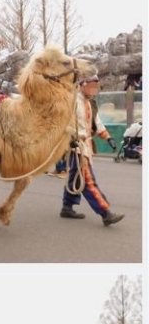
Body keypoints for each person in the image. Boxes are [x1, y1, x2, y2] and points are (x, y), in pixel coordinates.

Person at [59, 72, 124, 226]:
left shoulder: (90, 102)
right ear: (82, 85)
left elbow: (96, 121)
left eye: (96, 87)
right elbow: (63, 122)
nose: (94, 90)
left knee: (76, 176)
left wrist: (107, 137)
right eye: (91, 86)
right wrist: (70, 139)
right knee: (87, 180)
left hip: (86, 145)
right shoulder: (71, 101)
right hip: (77, 146)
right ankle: (105, 212)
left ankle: (66, 207)